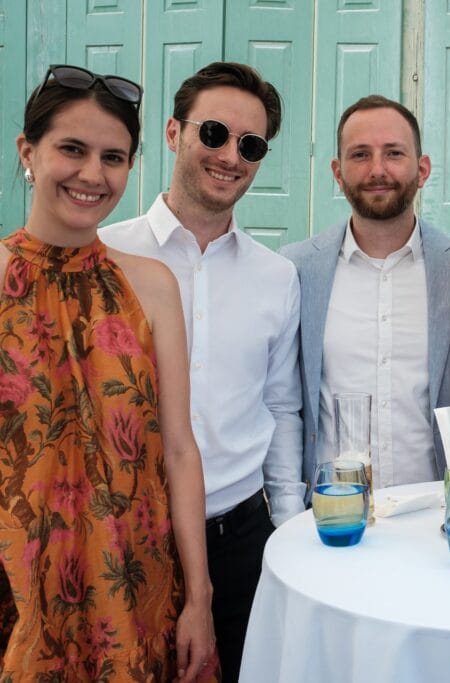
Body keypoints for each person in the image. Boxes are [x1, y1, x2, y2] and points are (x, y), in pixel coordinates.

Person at [1, 65, 215, 680]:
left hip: (134, 584)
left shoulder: (150, 286)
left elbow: (178, 449)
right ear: (28, 152)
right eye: (72, 148)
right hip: (19, 584)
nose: (92, 174)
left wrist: (198, 597)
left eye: (113, 157)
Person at [100, 62, 304, 682]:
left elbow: (280, 408)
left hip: (242, 537)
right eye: (213, 133)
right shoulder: (108, 254)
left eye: (250, 145)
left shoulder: (277, 276)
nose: (229, 156)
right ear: (172, 133)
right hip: (125, 533)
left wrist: (289, 534)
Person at [281, 95, 450, 489]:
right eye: (360, 154)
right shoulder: (295, 269)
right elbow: (282, 404)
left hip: (435, 514)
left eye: (394, 153)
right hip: (334, 515)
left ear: (423, 168)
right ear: (337, 171)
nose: (377, 170)